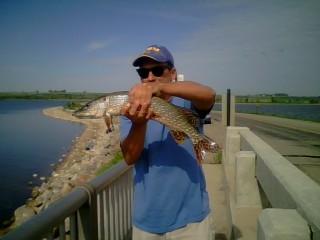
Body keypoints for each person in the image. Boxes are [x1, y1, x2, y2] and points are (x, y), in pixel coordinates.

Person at [120, 45, 216, 240]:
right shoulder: (130, 109)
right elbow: (129, 158)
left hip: (192, 218)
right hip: (148, 221)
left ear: (172, 73)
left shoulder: (186, 102)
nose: (149, 77)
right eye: (143, 72)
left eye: (156, 70)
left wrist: (160, 87)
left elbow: (209, 94)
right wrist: (139, 124)